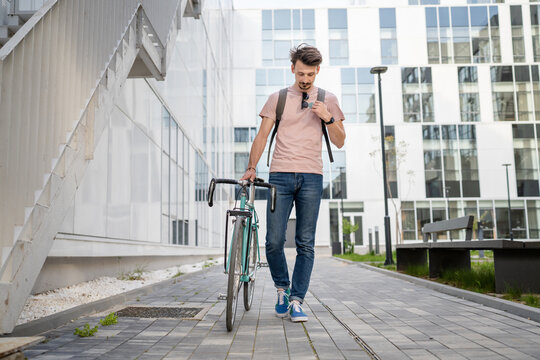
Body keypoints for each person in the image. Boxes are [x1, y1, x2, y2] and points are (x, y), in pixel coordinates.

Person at [240, 44, 346, 322]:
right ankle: (282, 289)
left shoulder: (328, 99)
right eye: (301, 73)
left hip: (312, 177)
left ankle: (297, 300)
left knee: (305, 243)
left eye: (310, 74)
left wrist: (328, 117)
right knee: (273, 241)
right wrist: (252, 167)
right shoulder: (277, 99)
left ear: (317, 71)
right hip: (280, 176)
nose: (305, 79)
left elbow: (340, 140)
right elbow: (262, 136)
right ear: (292, 69)